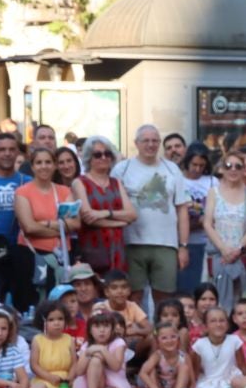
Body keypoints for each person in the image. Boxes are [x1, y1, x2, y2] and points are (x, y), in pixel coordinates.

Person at [111, 125, 190, 316]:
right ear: (136, 143)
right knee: (132, 295)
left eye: (155, 141)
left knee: (164, 297)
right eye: (145, 140)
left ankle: (161, 336)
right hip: (131, 242)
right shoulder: (122, 169)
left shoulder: (172, 170)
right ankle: (134, 336)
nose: (150, 145)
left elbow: (182, 209)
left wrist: (183, 245)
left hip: (165, 243)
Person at [0, 132, 35, 315]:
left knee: (23, 300)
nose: (7, 154)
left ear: (18, 153)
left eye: (11, 149)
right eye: (2, 149)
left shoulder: (28, 183)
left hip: (21, 249)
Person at [14, 146, 77, 298]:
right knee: (34, 302)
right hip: (32, 255)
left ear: (55, 165)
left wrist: (44, 224)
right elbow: (29, 227)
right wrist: (61, 228)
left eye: (48, 162)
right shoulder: (22, 192)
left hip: (61, 256)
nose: (44, 166)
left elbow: (75, 224)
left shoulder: (65, 191)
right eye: (39, 162)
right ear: (32, 166)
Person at [72, 137, 135, 276]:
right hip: (93, 248)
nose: (104, 157)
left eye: (107, 153)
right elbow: (88, 217)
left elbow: (132, 214)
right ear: (89, 158)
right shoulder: (80, 183)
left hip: (117, 249)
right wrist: (120, 222)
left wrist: (104, 213)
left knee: (118, 291)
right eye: (98, 154)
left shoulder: (116, 183)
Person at [204, 149, 246, 310]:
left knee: (242, 297)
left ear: (243, 170)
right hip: (217, 254)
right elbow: (207, 223)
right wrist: (224, 249)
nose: (233, 170)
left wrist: (238, 249)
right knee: (217, 298)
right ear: (222, 169)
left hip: (242, 255)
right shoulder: (214, 192)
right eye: (228, 166)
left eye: (237, 166)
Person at [74, 309, 135, 388]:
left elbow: (116, 366)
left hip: (114, 385)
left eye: (106, 326)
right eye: (97, 327)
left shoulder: (118, 343)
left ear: (112, 329)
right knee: (96, 359)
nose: (102, 330)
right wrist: (88, 353)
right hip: (95, 387)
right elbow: (79, 371)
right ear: (90, 330)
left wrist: (102, 349)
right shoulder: (87, 346)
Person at [179, 144, 213, 298]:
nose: (197, 169)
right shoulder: (178, 180)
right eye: (194, 164)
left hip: (205, 241)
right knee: (185, 287)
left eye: (201, 165)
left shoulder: (212, 182)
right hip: (184, 241)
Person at [193, 306, 244, 388]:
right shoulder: (199, 344)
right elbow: (196, 369)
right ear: (205, 326)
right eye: (213, 321)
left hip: (229, 379)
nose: (218, 324)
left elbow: (242, 365)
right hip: (208, 380)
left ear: (228, 324)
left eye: (222, 320)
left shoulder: (234, 340)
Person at [140, 322, 197, 388]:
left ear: (178, 338)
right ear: (158, 341)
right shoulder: (157, 355)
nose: (169, 341)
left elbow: (192, 382)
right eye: (164, 338)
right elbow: (142, 373)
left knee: (184, 367)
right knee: (151, 371)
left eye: (173, 337)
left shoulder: (184, 356)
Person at [29, 301, 77, 388]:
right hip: (44, 379)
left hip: (64, 382)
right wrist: (49, 377)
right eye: (51, 320)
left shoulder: (69, 339)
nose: (57, 323)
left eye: (60, 319)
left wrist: (70, 377)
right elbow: (34, 365)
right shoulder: (37, 340)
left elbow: (74, 363)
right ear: (43, 322)